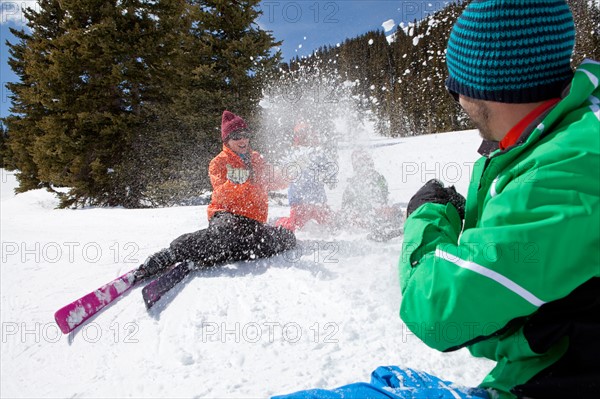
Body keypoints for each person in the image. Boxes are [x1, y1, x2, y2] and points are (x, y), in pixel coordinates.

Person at [273, 1, 599, 398]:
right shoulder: (565, 138)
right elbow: (512, 305)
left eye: (456, 82)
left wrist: (426, 219)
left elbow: (438, 312)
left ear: (487, 86)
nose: (453, 94)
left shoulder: (567, 169)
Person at [136, 110, 296, 279]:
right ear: (227, 140)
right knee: (224, 236)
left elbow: (274, 181)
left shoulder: (257, 159)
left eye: (245, 135)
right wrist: (234, 183)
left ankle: (220, 252)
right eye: (236, 136)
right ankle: (171, 254)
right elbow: (220, 194)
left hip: (252, 221)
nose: (242, 140)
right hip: (227, 215)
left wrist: (290, 175)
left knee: (285, 240)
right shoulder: (219, 162)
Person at [275, 122, 335, 231]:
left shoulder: (318, 153)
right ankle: (281, 222)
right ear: (297, 138)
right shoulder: (293, 154)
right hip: (299, 202)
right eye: (301, 134)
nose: (305, 137)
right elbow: (286, 173)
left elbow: (329, 170)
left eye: (307, 133)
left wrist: (329, 176)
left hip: (318, 200)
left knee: (330, 223)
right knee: (295, 225)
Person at [338, 148, 404, 241]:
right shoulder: (352, 184)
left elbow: (383, 197)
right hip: (361, 215)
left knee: (394, 211)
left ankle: (388, 226)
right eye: (361, 163)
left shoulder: (379, 178)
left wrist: (384, 208)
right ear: (356, 167)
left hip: (376, 212)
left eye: (367, 161)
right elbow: (346, 206)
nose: (366, 165)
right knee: (353, 218)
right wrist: (354, 213)